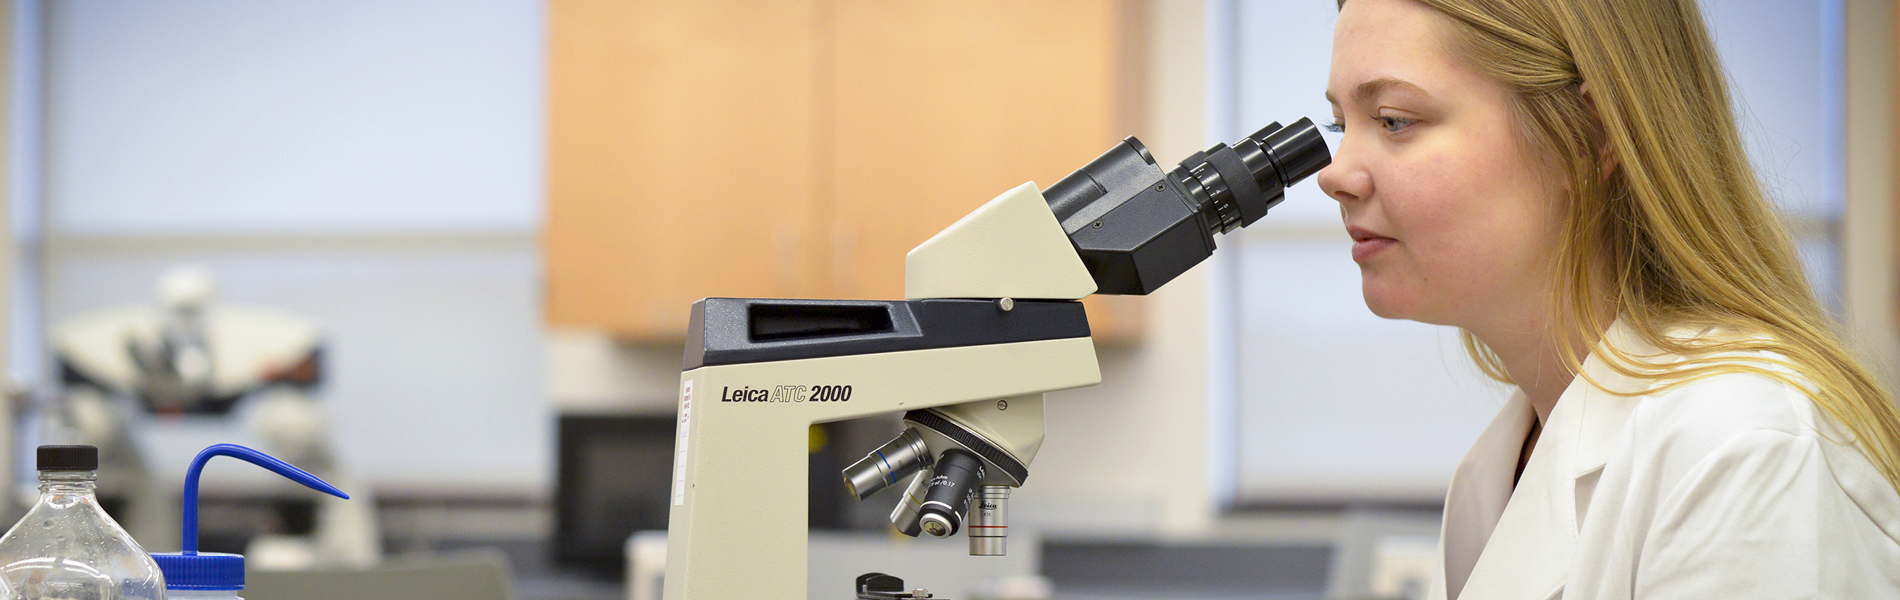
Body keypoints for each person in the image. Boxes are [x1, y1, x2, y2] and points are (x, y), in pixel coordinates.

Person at [1316, 0, 1900, 597]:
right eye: (1342, 126)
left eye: (1392, 120)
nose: (1335, 174)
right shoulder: (1498, 466)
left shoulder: (1743, 450)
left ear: (1590, 134)